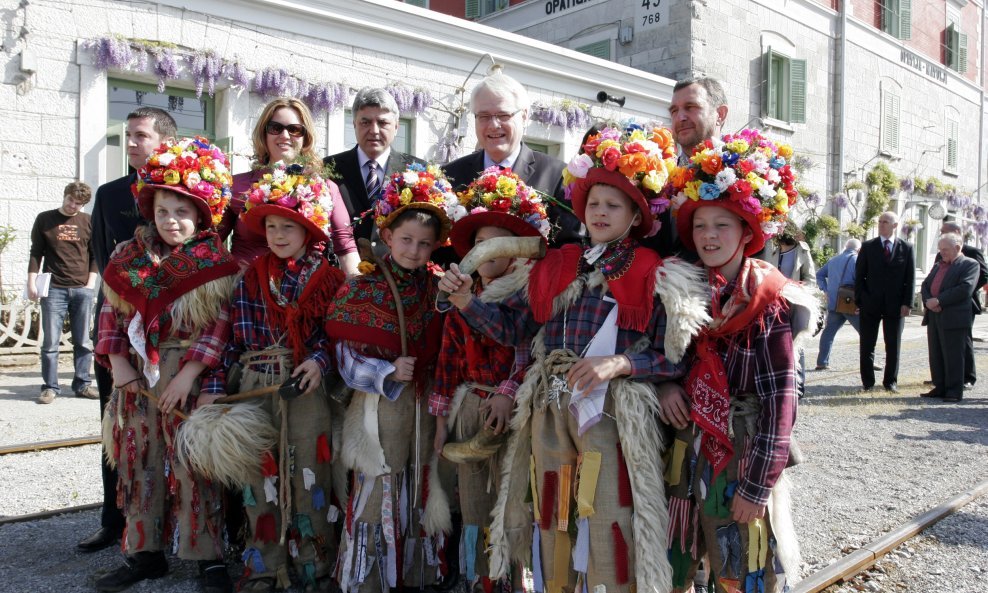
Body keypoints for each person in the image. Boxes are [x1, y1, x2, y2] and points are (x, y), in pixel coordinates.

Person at [440, 126, 709, 593]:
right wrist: (468, 302)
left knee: (609, 514)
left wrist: (621, 364)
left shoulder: (655, 274)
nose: (600, 212)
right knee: (553, 514)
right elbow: (514, 330)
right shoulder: (558, 264)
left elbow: (676, 360)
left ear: (635, 216)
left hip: (611, 413)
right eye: (594, 203)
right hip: (548, 405)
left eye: (614, 205)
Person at [659, 128, 818, 593]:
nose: (709, 236)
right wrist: (667, 386)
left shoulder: (770, 300)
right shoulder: (683, 290)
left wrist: (756, 487)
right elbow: (667, 363)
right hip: (688, 448)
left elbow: (780, 404)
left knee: (742, 565)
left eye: (722, 226)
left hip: (743, 450)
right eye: (701, 226)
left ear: (748, 232)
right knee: (681, 557)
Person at [94, 137, 239, 593]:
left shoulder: (215, 263)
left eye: (182, 211)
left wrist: (189, 375)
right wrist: (118, 364)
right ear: (150, 211)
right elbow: (111, 314)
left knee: (195, 465)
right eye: (163, 211)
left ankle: (206, 556)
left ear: (200, 214)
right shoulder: (126, 258)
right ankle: (144, 551)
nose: (172, 221)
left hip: (191, 374)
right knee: (140, 463)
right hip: (136, 375)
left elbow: (219, 328)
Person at [324, 164, 458, 593]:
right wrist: (384, 371)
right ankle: (369, 576)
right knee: (380, 482)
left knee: (422, 480)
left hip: (426, 404)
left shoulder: (438, 287)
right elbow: (344, 355)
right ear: (386, 236)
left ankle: (420, 570)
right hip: (380, 408)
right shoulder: (363, 287)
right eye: (406, 240)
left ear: (437, 245)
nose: (415, 251)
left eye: (424, 243)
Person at [216, 162, 347, 593]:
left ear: (309, 229)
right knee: (259, 477)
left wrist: (319, 362)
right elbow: (231, 339)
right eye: (271, 226)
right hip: (255, 382)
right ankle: (264, 567)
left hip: (305, 385)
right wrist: (219, 388)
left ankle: (314, 566)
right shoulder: (249, 278)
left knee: (310, 474)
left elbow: (334, 337)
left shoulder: (330, 281)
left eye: (287, 225)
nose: (277, 235)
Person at [430, 167, 551, 593]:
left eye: (492, 243)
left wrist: (507, 393)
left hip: (513, 414)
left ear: (515, 251)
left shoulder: (527, 291)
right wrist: (442, 417)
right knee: (475, 502)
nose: (482, 251)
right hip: (469, 407)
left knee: (513, 500)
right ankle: (479, 579)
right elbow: (449, 358)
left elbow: (520, 341)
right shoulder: (464, 292)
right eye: (477, 244)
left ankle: (513, 579)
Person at [80, 106, 177, 554]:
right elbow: (105, 259)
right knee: (116, 424)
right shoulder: (109, 192)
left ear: (165, 142)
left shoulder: (182, 192)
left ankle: (173, 521)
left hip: (174, 327)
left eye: (141, 136)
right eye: (129, 136)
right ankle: (113, 518)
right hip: (119, 325)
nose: (132, 143)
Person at [442, 66, 580, 249]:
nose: (493, 125)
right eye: (483, 116)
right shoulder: (451, 176)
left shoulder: (557, 176)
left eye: (503, 115)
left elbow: (570, 246)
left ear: (524, 116)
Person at [221, 97, 359, 275]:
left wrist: (359, 294)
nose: (284, 136)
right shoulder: (236, 185)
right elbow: (211, 244)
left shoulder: (326, 188)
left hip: (306, 292)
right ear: (264, 133)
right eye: (275, 128)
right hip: (245, 292)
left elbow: (345, 245)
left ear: (305, 137)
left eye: (294, 130)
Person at [27, 181, 98, 404]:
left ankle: (83, 384)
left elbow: (95, 254)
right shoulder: (45, 219)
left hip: (81, 289)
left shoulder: (88, 221)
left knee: (83, 341)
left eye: (78, 204)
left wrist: (90, 284)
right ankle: (50, 387)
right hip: (53, 288)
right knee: (50, 343)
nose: (73, 206)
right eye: (70, 200)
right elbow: (36, 252)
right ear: (65, 195)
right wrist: (31, 282)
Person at [323, 88, 425, 244]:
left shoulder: (419, 171)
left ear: (396, 127)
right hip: (342, 265)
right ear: (354, 125)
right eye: (365, 122)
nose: (374, 131)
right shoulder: (327, 168)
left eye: (383, 123)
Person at [648, 76, 730, 259]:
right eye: (674, 111)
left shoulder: (746, 176)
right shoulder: (658, 178)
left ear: (721, 114)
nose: (680, 117)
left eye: (691, 107)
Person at [855, 211, 915, 393]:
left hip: (895, 304)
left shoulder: (906, 248)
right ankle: (868, 382)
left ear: (895, 225)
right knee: (867, 344)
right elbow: (859, 276)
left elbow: (910, 278)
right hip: (870, 303)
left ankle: (890, 381)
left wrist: (908, 302)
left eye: (886, 222)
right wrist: (860, 300)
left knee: (893, 344)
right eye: (880, 221)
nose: (881, 224)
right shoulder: (868, 246)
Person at [921, 233, 980, 402]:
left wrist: (939, 300)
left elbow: (965, 288)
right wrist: (928, 302)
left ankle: (954, 391)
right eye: (940, 250)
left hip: (954, 317)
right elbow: (926, 284)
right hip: (934, 314)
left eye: (945, 250)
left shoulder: (969, 264)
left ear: (957, 248)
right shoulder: (939, 265)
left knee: (954, 355)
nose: (942, 253)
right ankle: (940, 387)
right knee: (936, 353)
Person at [936, 221, 987, 388]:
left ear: (957, 232)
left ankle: (967, 377)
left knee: (963, 341)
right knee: (942, 341)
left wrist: (966, 290)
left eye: (944, 231)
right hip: (942, 303)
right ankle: (944, 375)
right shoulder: (941, 253)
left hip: (964, 304)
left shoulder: (972, 252)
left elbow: (984, 275)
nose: (941, 233)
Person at [815, 239, 862, 370]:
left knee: (828, 333)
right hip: (849, 303)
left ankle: (822, 362)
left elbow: (819, 275)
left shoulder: (834, 260)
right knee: (866, 332)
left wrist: (825, 290)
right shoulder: (857, 260)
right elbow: (861, 283)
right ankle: (868, 362)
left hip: (834, 303)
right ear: (858, 249)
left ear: (845, 247)